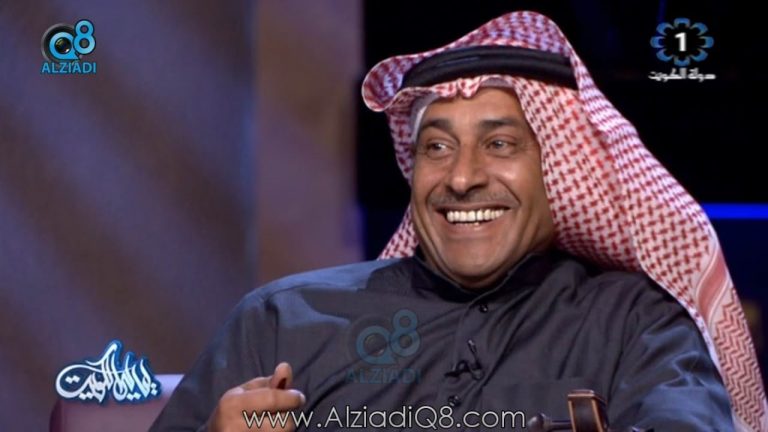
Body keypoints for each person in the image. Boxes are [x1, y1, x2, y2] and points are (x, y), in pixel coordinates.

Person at [150, 11, 767, 431]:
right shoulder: (282, 321)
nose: (462, 177)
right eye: (437, 148)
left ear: (557, 169)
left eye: (500, 145)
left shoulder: (636, 326)